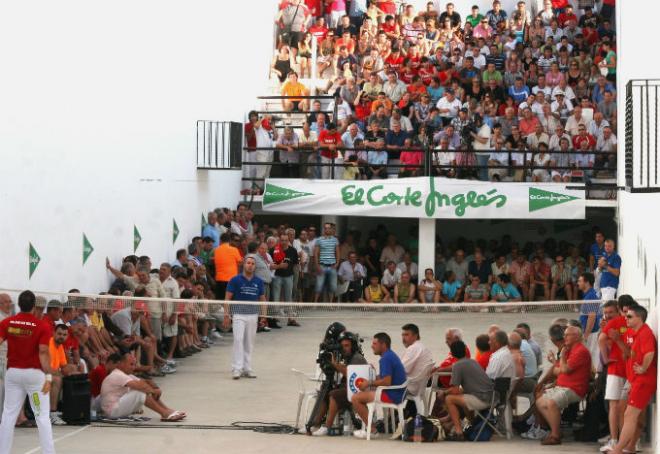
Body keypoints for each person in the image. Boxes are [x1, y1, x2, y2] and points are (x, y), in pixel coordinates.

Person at [0, 290, 55, 454]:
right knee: (41, 416)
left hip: (13, 375)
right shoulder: (42, 326)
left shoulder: (7, 323)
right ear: (34, 307)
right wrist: (49, 377)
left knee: (8, 415)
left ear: (19, 304)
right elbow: (43, 351)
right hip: (34, 378)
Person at [611, 305, 657, 454]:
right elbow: (632, 352)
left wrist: (643, 368)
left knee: (630, 415)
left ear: (640, 318)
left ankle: (618, 449)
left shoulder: (646, 333)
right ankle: (628, 447)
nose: (626, 318)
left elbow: (649, 353)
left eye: (630, 316)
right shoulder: (634, 332)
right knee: (630, 415)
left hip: (643, 382)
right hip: (635, 380)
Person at [535, 325, 592, 445]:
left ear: (576, 337)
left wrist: (562, 358)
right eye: (564, 334)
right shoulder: (569, 349)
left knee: (552, 403)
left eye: (567, 335)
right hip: (562, 386)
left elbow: (564, 370)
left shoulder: (580, 351)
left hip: (575, 388)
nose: (564, 337)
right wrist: (560, 363)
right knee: (540, 402)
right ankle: (556, 431)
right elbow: (557, 369)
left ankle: (555, 436)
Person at [100, 350, 186, 421]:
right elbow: (140, 386)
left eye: (134, 364)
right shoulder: (117, 374)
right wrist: (153, 391)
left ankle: (167, 410)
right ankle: (164, 413)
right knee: (140, 392)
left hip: (117, 408)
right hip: (111, 411)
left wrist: (155, 388)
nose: (133, 368)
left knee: (144, 389)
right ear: (121, 364)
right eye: (131, 364)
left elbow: (146, 382)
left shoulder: (127, 375)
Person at [351, 332, 407, 439]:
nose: (372, 346)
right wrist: (372, 373)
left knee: (355, 398)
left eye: (375, 343)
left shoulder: (385, 359)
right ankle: (369, 427)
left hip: (392, 395)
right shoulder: (390, 355)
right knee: (363, 394)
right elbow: (383, 377)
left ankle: (372, 430)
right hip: (399, 393)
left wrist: (369, 382)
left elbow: (386, 382)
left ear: (383, 345)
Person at [312, 331, 367, 436]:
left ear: (353, 346)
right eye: (342, 346)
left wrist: (336, 365)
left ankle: (327, 427)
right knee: (325, 390)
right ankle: (315, 424)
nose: (344, 348)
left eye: (347, 345)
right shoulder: (347, 357)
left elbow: (351, 375)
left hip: (357, 391)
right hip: (349, 389)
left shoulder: (357, 358)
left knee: (334, 395)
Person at [223, 256, 266, 380]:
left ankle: (247, 368)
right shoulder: (235, 280)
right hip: (238, 315)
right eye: (248, 263)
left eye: (253, 263)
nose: (250, 265)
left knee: (249, 342)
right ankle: (237, 368)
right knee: (238, 339)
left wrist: (263, 315)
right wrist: (227, 315)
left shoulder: (259, 281)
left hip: (253, 315)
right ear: (244, 264)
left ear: (255, 266)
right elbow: (227, 298)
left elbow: (262, 299)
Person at [442, 340, 494, 441]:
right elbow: (463, 389)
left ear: (452, 354)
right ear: (465, 351)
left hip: (482, 400)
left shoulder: (457, 365)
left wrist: (444, 392)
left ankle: (458, 432)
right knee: (463, 397)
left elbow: (455, 391)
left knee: (449, 399)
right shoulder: (473, 362)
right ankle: (472, 425)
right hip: (491, 398)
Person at [598, 299, 631, 452]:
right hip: (620, 368)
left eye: (610, 312)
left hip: (624, 369)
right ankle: (620, 441)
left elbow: (601, 340)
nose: (608, 315)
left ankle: (618, 441)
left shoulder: (618, 322)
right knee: (619, 406)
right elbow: (602, 340)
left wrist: (605, 359)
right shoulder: (617, 322)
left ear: (618, 310)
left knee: (618, 406)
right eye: (605, 313)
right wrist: (605, 359)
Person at [400, 324, 434, 412]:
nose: (403, 338)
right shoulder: (423, 348)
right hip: (419, 386)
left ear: (415, 336)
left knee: (381, 385)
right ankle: (400, 416)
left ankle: (388, 419)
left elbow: (401, 369)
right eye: (403, 335)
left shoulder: (413, 349)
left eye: (407, 335)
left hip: (411, 386)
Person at [578, 272, 602, 370]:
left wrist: (586, 335)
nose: (578, 283)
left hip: (591, 333)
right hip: (590, 332)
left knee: (591, 357)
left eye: (580, 281)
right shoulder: (588, 295)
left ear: (587, 282)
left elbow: (592, 317)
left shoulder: (590, 296)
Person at [314, 223, 340, 302]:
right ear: (324, 229)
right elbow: (316, 253)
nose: (327, 229)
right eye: (326, 228)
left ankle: (330, 304)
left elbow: (338, 252)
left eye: (329, 228)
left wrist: (337, 263)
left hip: (332, 266)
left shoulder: (335, 240)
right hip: (322, 265)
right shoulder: (319, 239)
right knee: (319, 285)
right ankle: (314, 304)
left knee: (332, 286)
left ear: (331, 229)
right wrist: (317, 266)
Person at [213, 232, 243, 300]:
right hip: (231, 280)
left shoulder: (216, 250)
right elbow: (240, 263)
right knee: (230, 303)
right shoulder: (234, 250)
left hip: (219, 279)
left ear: (220, 241)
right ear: (229, 241)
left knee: (220, 301)